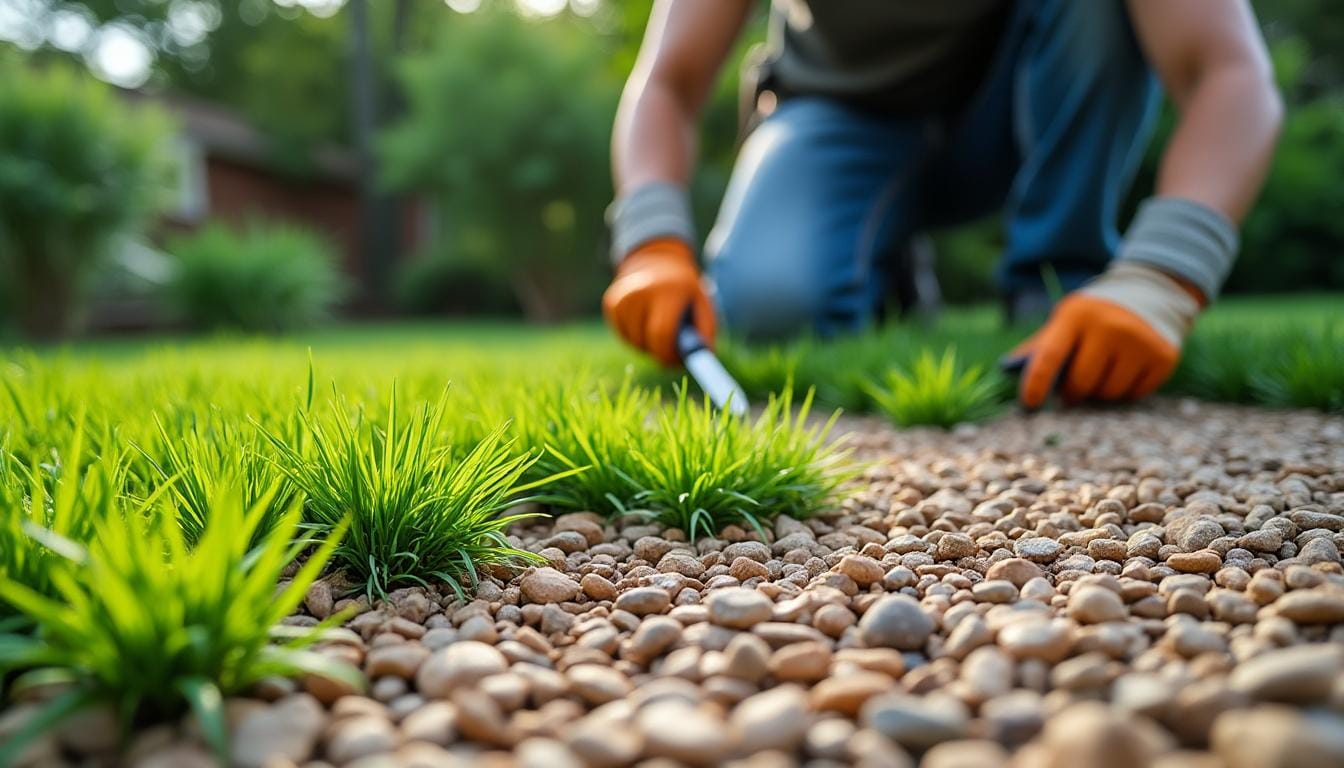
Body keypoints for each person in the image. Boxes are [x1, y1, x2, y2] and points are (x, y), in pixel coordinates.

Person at [600, 0, 1281, 408]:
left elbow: (1229, 73)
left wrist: (1163, 275)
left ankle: (1064, 286)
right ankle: (886, 272)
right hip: (837, 117)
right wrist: (652, 243)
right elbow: (667, 83)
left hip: (1014, 111)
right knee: (771, 309)